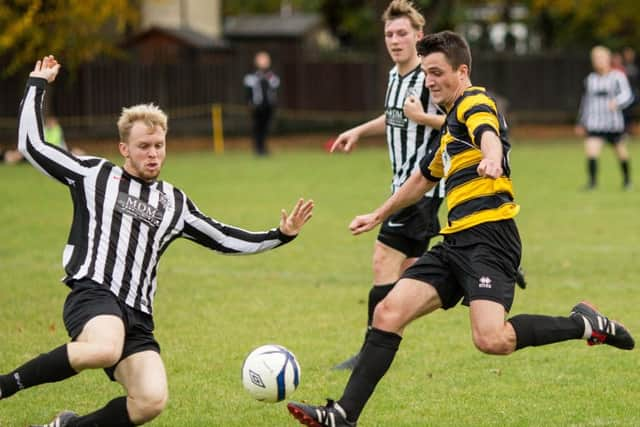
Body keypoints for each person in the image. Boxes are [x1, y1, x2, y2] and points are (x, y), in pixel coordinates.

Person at [287, 31, 634, 427]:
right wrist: (377, 214)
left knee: (492, 339)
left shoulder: (474, 102)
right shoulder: (450, 124)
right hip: (454, 242)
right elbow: (421, 179)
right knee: (387, 312)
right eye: (426, 74)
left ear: (462, 70)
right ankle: (343, 415)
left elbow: (488, 134)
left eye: (437, 73)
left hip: (491, 240)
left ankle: (585, 323)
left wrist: (492, 158)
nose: (430, 81)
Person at [1, 55, 314, 427]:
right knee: (104, 348)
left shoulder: (174, 202)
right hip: (94, 294)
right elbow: (32, 144)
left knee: (150, 401)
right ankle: (5, 386)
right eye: (144, 146)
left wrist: (280, 235)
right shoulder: (93, 175)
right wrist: (36, 85)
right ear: (124, 149)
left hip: (137, 317)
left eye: (159, 146)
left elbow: (223, 237)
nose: (153, 154)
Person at [328, 0, 446, 371]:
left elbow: (455, 122)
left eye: (402, 33)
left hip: (420, 188)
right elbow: (393, 117)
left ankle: (369, 352)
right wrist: (359, 131)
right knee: (411, 271)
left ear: (418, 36)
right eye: (389, 34)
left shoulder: (428, 78)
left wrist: (421, 116)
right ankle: (468, 270)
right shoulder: (395, 77)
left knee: (383, 261)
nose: (395, 40)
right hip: (402, 186)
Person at [576, 45, 634, 191]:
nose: (599, 61)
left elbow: (628, 95)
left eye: (601, 58)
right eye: (596, 58)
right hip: (595, 123)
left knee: (621, 152)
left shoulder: (617, 77)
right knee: (591, 150)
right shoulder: (591, 79)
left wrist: (617, 102)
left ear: (608, 59)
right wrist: (581, 122)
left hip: (613, 123)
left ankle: (627, 181)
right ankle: (592, 182)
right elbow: (586, 102)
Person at [243, 51, 280, 156]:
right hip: (257, 106)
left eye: (266, 59)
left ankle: (263, 148)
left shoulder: (272, 76)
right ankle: (257, 148)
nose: (264, 62)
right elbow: (248, 92)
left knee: (266, 127)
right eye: (262, 59)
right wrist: (249, 103)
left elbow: (275, 87)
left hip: (269, 106)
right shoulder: (251, 76)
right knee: (257, 127)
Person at [622, 47, 639, 135]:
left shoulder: (636, 67)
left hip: (634, 94)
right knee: (624, 111)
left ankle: (630, 129)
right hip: (624, 93)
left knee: (631, 112)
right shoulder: (622, 67)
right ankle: (624, 130)